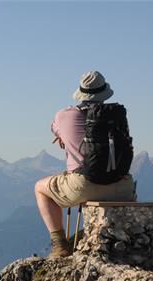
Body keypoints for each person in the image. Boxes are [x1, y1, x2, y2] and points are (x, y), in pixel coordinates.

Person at [34, 70, 136, 259]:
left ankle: (60, 245)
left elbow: (54, 129)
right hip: (123, 186)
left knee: (40, 188)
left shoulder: (64, 115)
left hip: (84, 184)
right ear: (105, 92)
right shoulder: (117, 116)